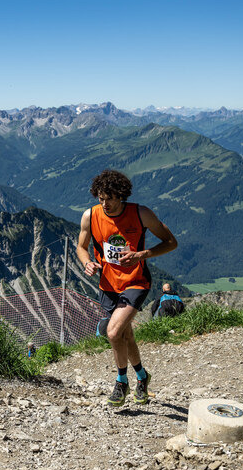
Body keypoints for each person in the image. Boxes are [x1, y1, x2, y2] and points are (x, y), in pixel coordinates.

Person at [76, 169, 178, 407]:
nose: (105, 204)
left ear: (121, 195)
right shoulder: (90, 216)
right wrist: (87, 263)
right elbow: (81, 247)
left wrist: (142, 254)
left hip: (135, 281)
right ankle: (142, 377)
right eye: (100, 198)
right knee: (125, 334)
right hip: (108, 285)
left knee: (112, 333)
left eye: (109, 198)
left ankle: (122, 381)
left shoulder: (141, 214)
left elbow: (171, 242)